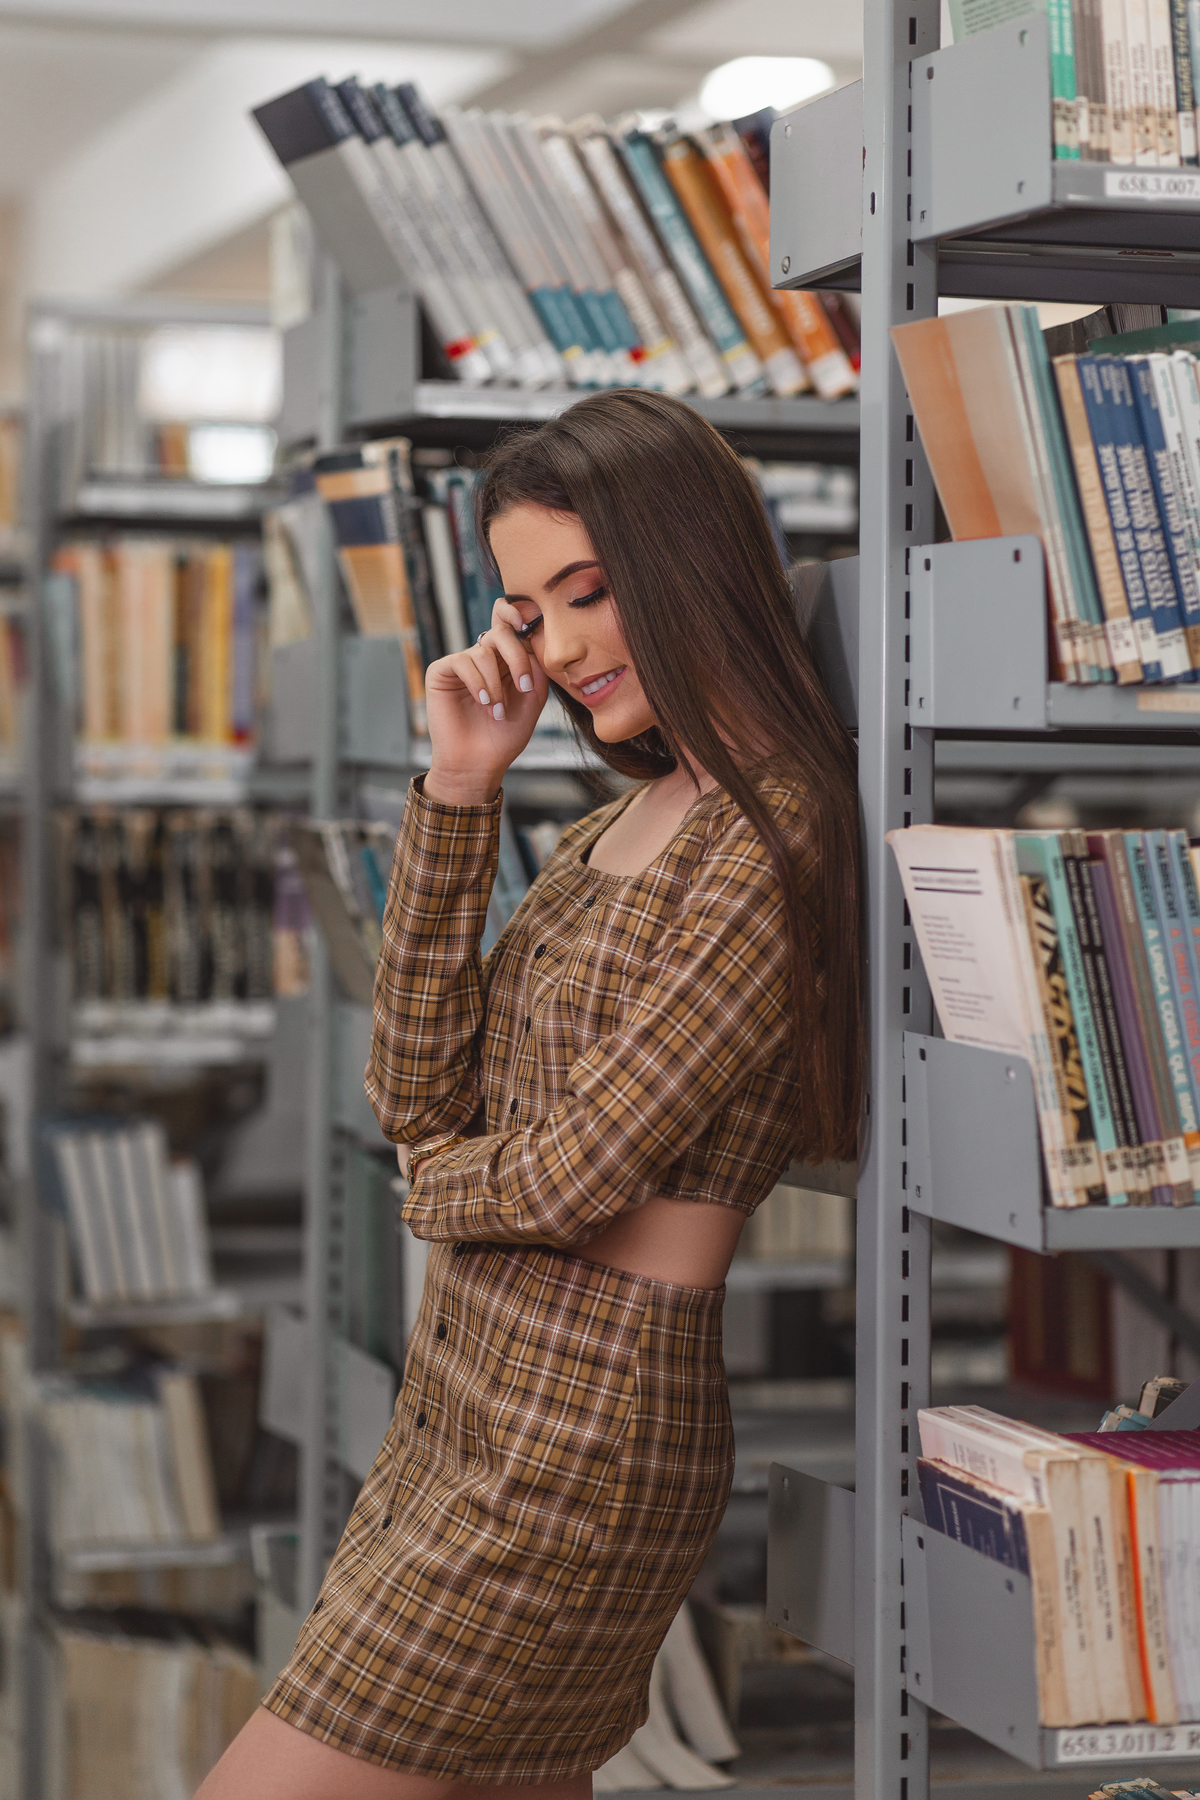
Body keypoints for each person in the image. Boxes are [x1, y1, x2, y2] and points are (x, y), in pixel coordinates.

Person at [197, 388, 862, 1800]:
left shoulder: (776, 830)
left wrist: (439, 1192)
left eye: (592, 594)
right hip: (457, 1399)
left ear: (689, 569)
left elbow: (572, 1175)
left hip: (581, 1428)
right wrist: (462, 787)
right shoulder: (614, 826)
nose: (555, 650)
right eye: (527, 609)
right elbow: (414, 1085)